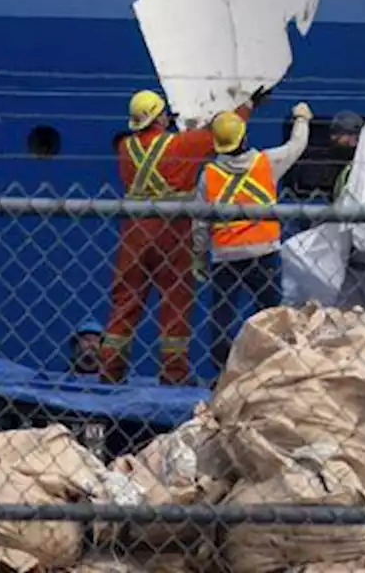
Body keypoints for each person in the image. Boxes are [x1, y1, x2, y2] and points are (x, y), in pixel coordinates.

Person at [100, 86, 269, 385]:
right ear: (159, 118)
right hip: (172, 228)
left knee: (126, 297)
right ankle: (174, 373)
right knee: (175, 298)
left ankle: (110, 369)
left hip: (135, 229)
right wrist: (248, 105)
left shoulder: (124, 147)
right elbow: (216, 133)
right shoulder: (180, 145)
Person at [197, 102, 312, 373]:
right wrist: (302, 119)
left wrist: (199, 255)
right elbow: (296, 146)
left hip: (226, 256)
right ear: (244, 136)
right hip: (264, 253)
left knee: (222, 316)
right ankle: (275, 367)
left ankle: (223, 372)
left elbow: (200, 222)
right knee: (272, 313)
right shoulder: (266, 163)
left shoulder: (209, 175)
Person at [329, 110, 365, 201]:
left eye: (338, 134)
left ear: (353, 136)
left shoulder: (364, 166)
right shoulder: (347, 166)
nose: (333, 138)